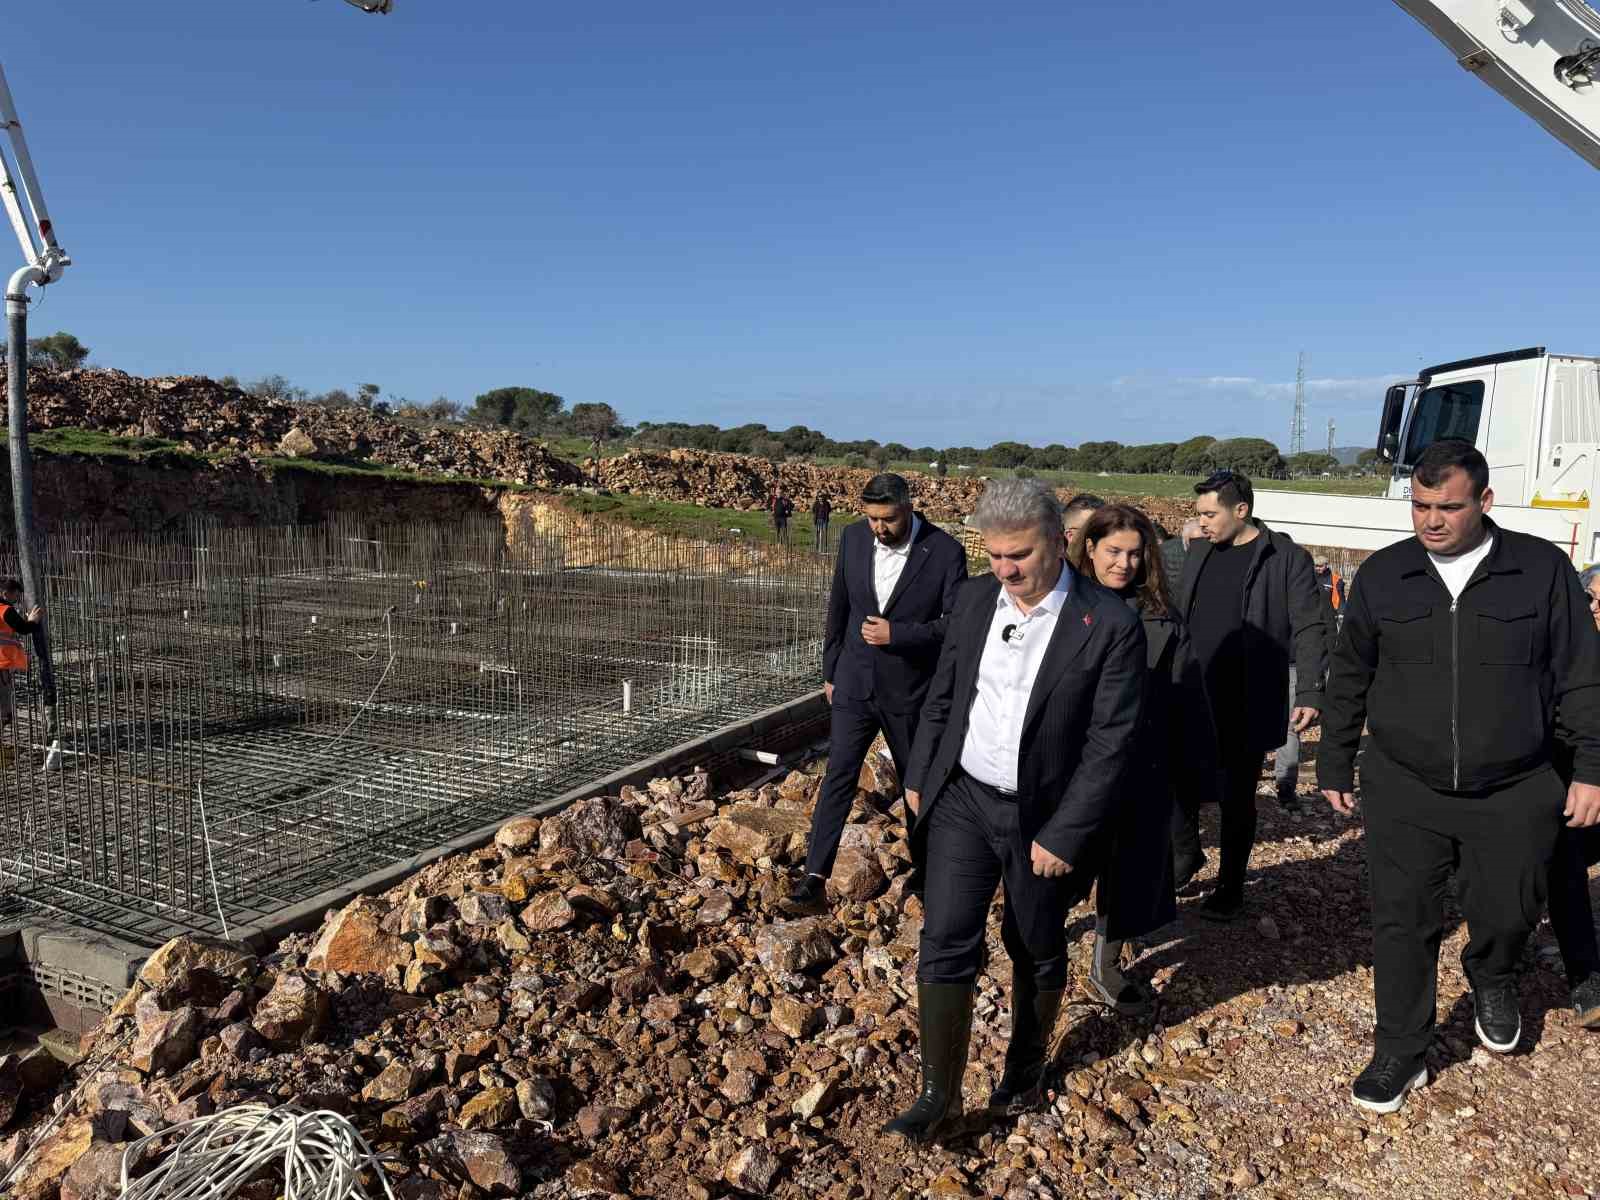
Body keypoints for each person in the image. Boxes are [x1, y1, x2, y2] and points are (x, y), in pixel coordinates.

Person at [1318, 439, 1600, 1114]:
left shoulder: (1540, 571)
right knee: (1401, 918)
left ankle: (1495, 974)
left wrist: (1590, 768)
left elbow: (1581, 675)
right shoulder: (1385, 576)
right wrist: (1334, 756)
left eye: (1448, 507)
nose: (1431, 520)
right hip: (1404, 783)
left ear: (1484, 502)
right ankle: (1400, 1050)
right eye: (1419, 505)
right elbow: (1350, 670)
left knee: (1509, 909)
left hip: (1515, 784)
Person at [884, 479, 1145, 1142]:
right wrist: (921, 778)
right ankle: (937, 1095)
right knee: (944, 939)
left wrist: (1066, 832)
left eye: (1019, 556)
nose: (1005, 570)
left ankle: (1023, 1071)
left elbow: (1110, 743)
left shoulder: (1109, 623)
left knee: (1033, 944)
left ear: (1060, 544)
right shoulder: (974, 600)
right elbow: (944, 695)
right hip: (962, 801)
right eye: (995, 555)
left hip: (1044, 817)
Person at [788, 474, 966, 909]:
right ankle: (815, 875)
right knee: (838, 776)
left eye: (887, 519)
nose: (878, 528)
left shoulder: (945, 552)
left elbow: (957, 626)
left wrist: (899, 635)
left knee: (915, 782)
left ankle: (926, 872)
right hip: (853, 682)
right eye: (871, 519)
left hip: (909, 691)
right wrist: (831, 670)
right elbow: (839, 606)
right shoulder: (851, 538)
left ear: (908, 507)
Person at [1172, 469, 1327, 918]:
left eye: (1208, 513)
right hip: (1191, 689)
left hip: (1246, 694)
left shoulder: (1285, 558)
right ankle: (1187, 853)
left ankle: (1230, 886)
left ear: (1241, 510)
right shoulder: (1199, 549)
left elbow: (1311, 624)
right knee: (1176, 781)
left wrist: (1312, 690)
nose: (1201, 522)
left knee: (1236, 796)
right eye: (1197, 513)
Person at [1068, 504, 1202, 1016]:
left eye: (1134, 552)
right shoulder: (1060, 604)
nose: (1123, 563)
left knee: (1128, 866)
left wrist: (1193, 769)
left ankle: (1105, 962)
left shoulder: (1162, 616)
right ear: (1090, 550)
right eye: (1113, 552)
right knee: (1062, 862)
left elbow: (1187, 694)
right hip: (1071, 760)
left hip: (1139, 761)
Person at [1548, 564, 1600, 1027]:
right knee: (1564, 871)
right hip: (1563, 778)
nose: (1597, 608)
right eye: (1592, 597)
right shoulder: (1562, 649)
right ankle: (1586, 975)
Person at [0, 578, 42, 729]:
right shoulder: (5, 609)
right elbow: (23, 628)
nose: (17, 600)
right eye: (16, 596)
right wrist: (33, 620)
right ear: (5, 594)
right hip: (1, 665)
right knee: (3, 711)